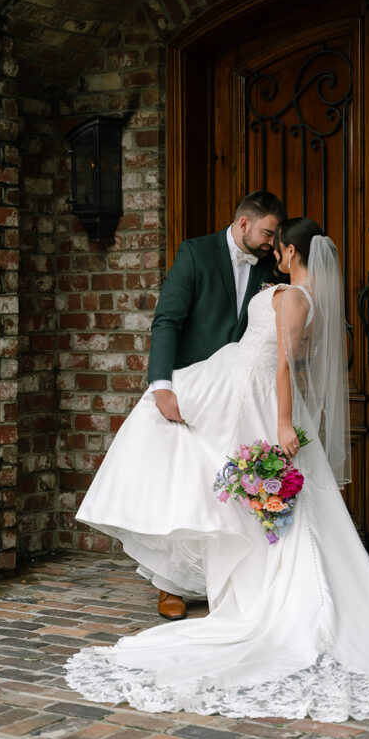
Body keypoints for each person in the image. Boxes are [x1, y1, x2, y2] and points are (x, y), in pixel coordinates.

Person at [66, 218, 369, 723]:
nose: (274, 254)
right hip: (243, 386)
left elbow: (285, 365)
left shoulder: (290, 297)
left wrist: (284, 423)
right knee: (244, 486)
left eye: (279, 248)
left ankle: (275, 600)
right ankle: (220, 579)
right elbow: (301, 353)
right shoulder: (301, 298)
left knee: (250, 488)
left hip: (259, 395)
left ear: (290, 250)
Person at [144, 190, 285, 620]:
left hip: (242, 394)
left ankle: (221, 579)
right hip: (195, 390)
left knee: (228, 490)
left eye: (276, 235)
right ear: (243, 223)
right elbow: (167, 319)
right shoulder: (195, 253)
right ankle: (170, 585)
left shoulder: (269, 265)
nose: (271, 241)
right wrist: (162, 385)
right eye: (267, 232)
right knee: (186, 488)